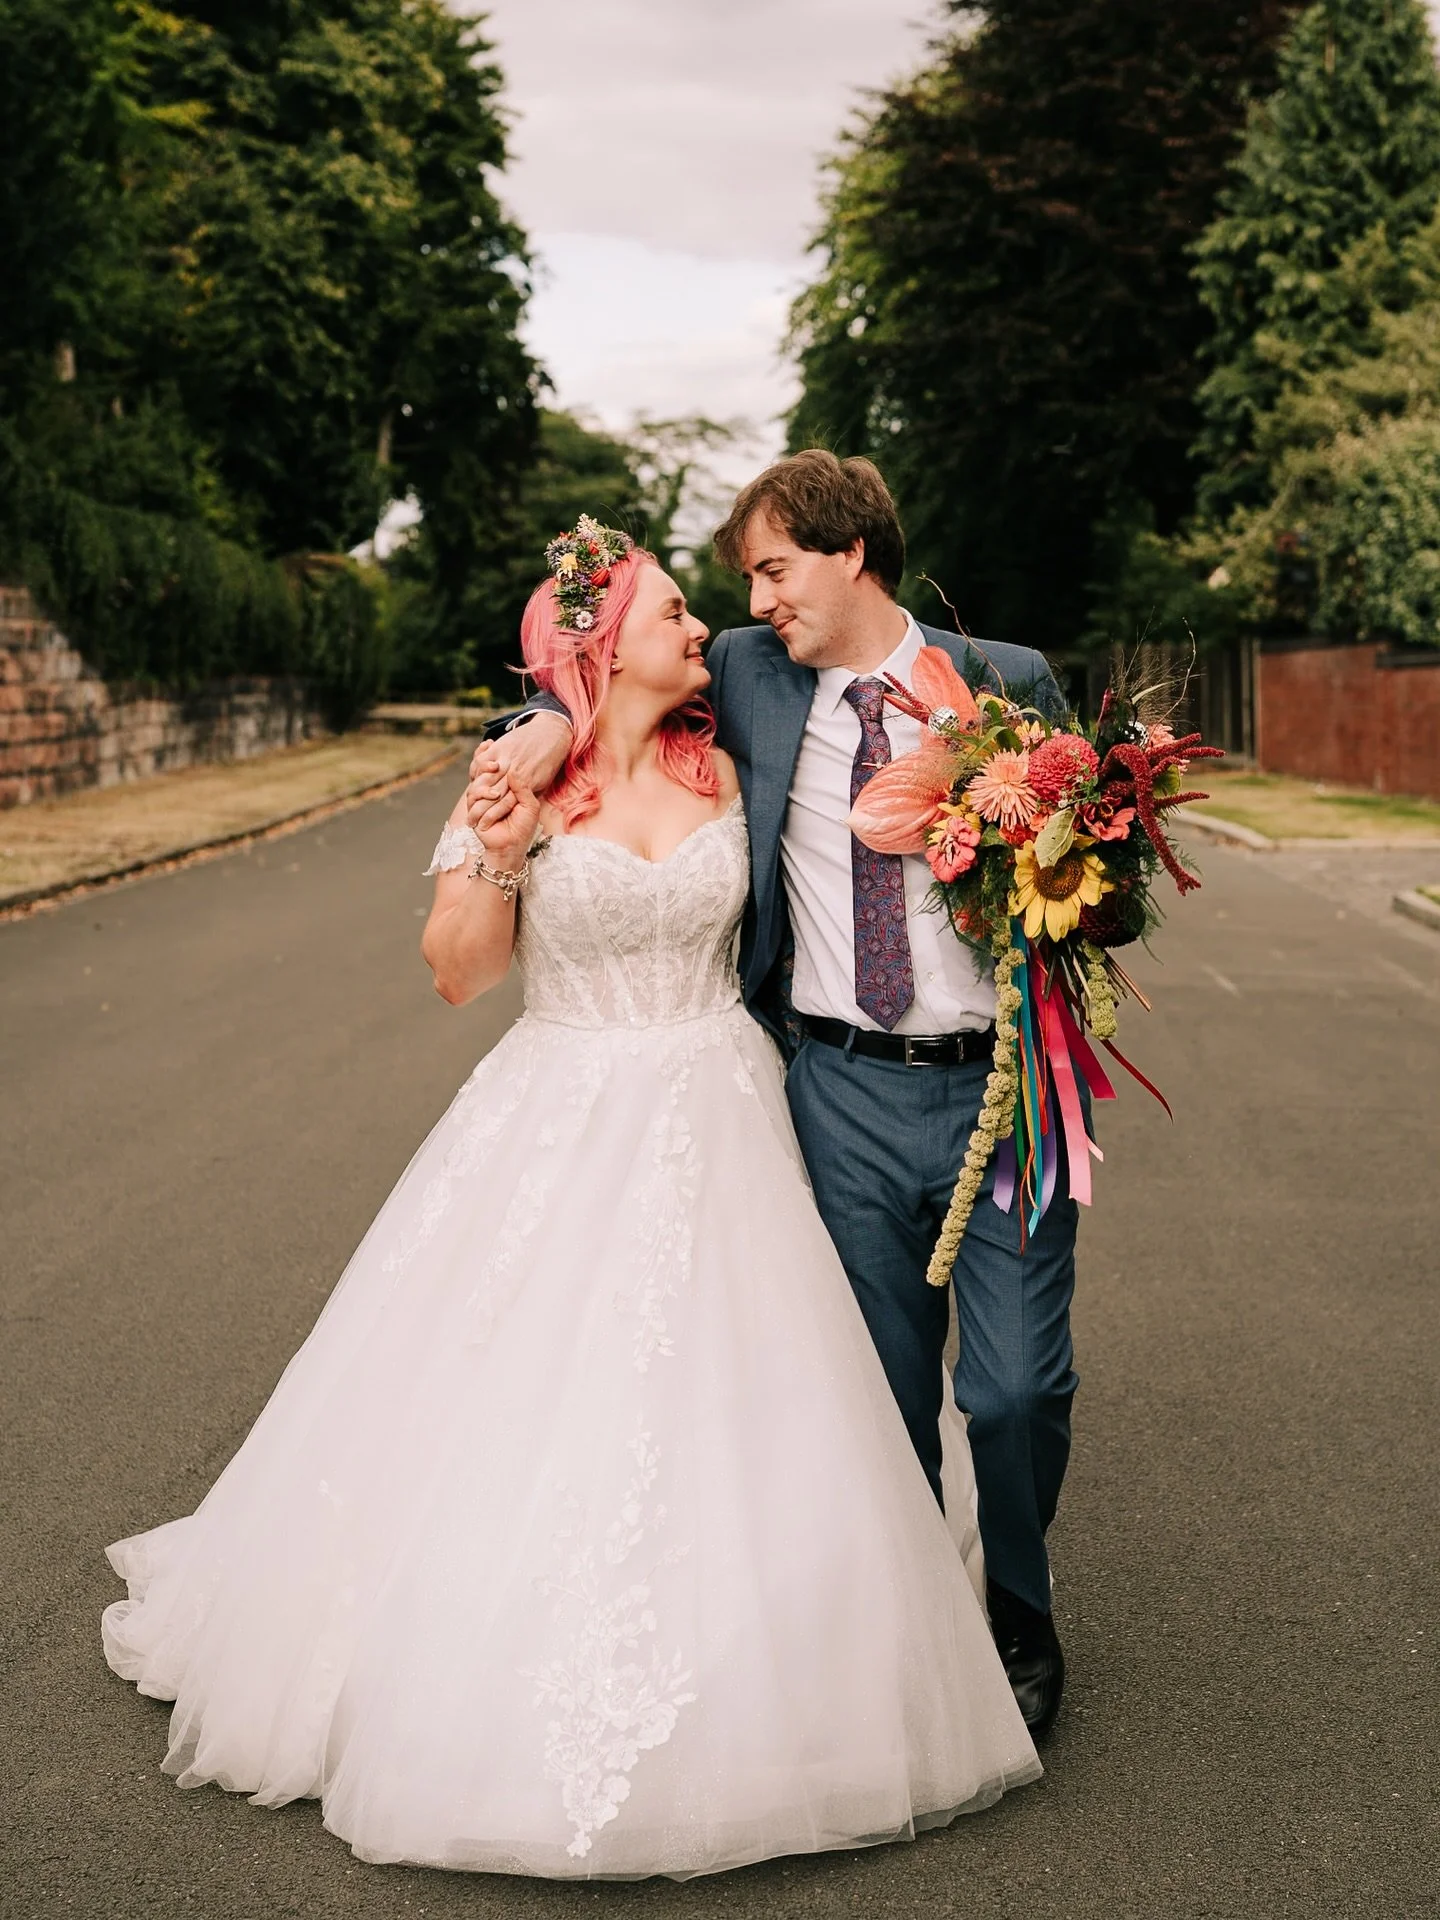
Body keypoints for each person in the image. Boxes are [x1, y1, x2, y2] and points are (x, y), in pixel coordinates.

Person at [101, 518, 1039, 1880]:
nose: (699, 627)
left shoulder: (729, 759)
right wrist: (498, 842)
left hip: (726, 1108)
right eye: (669, 609)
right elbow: (457, 974)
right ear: (603, 644)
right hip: (560, 1105)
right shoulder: (511, 784)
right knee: (521, 1391)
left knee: (752, 1400)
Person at [485, 453, 1079, 1739]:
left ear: (850, 551)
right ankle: (910, 1625)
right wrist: (524, 726)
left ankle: (1023, 1611)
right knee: (877, 1390)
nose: (749, 604)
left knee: (1016, 1390)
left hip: (999, 1092)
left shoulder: (1006, 684)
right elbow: (590, 686)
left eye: (771, 569)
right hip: (838, 1090)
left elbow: (1085, 863)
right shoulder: (755, 679)